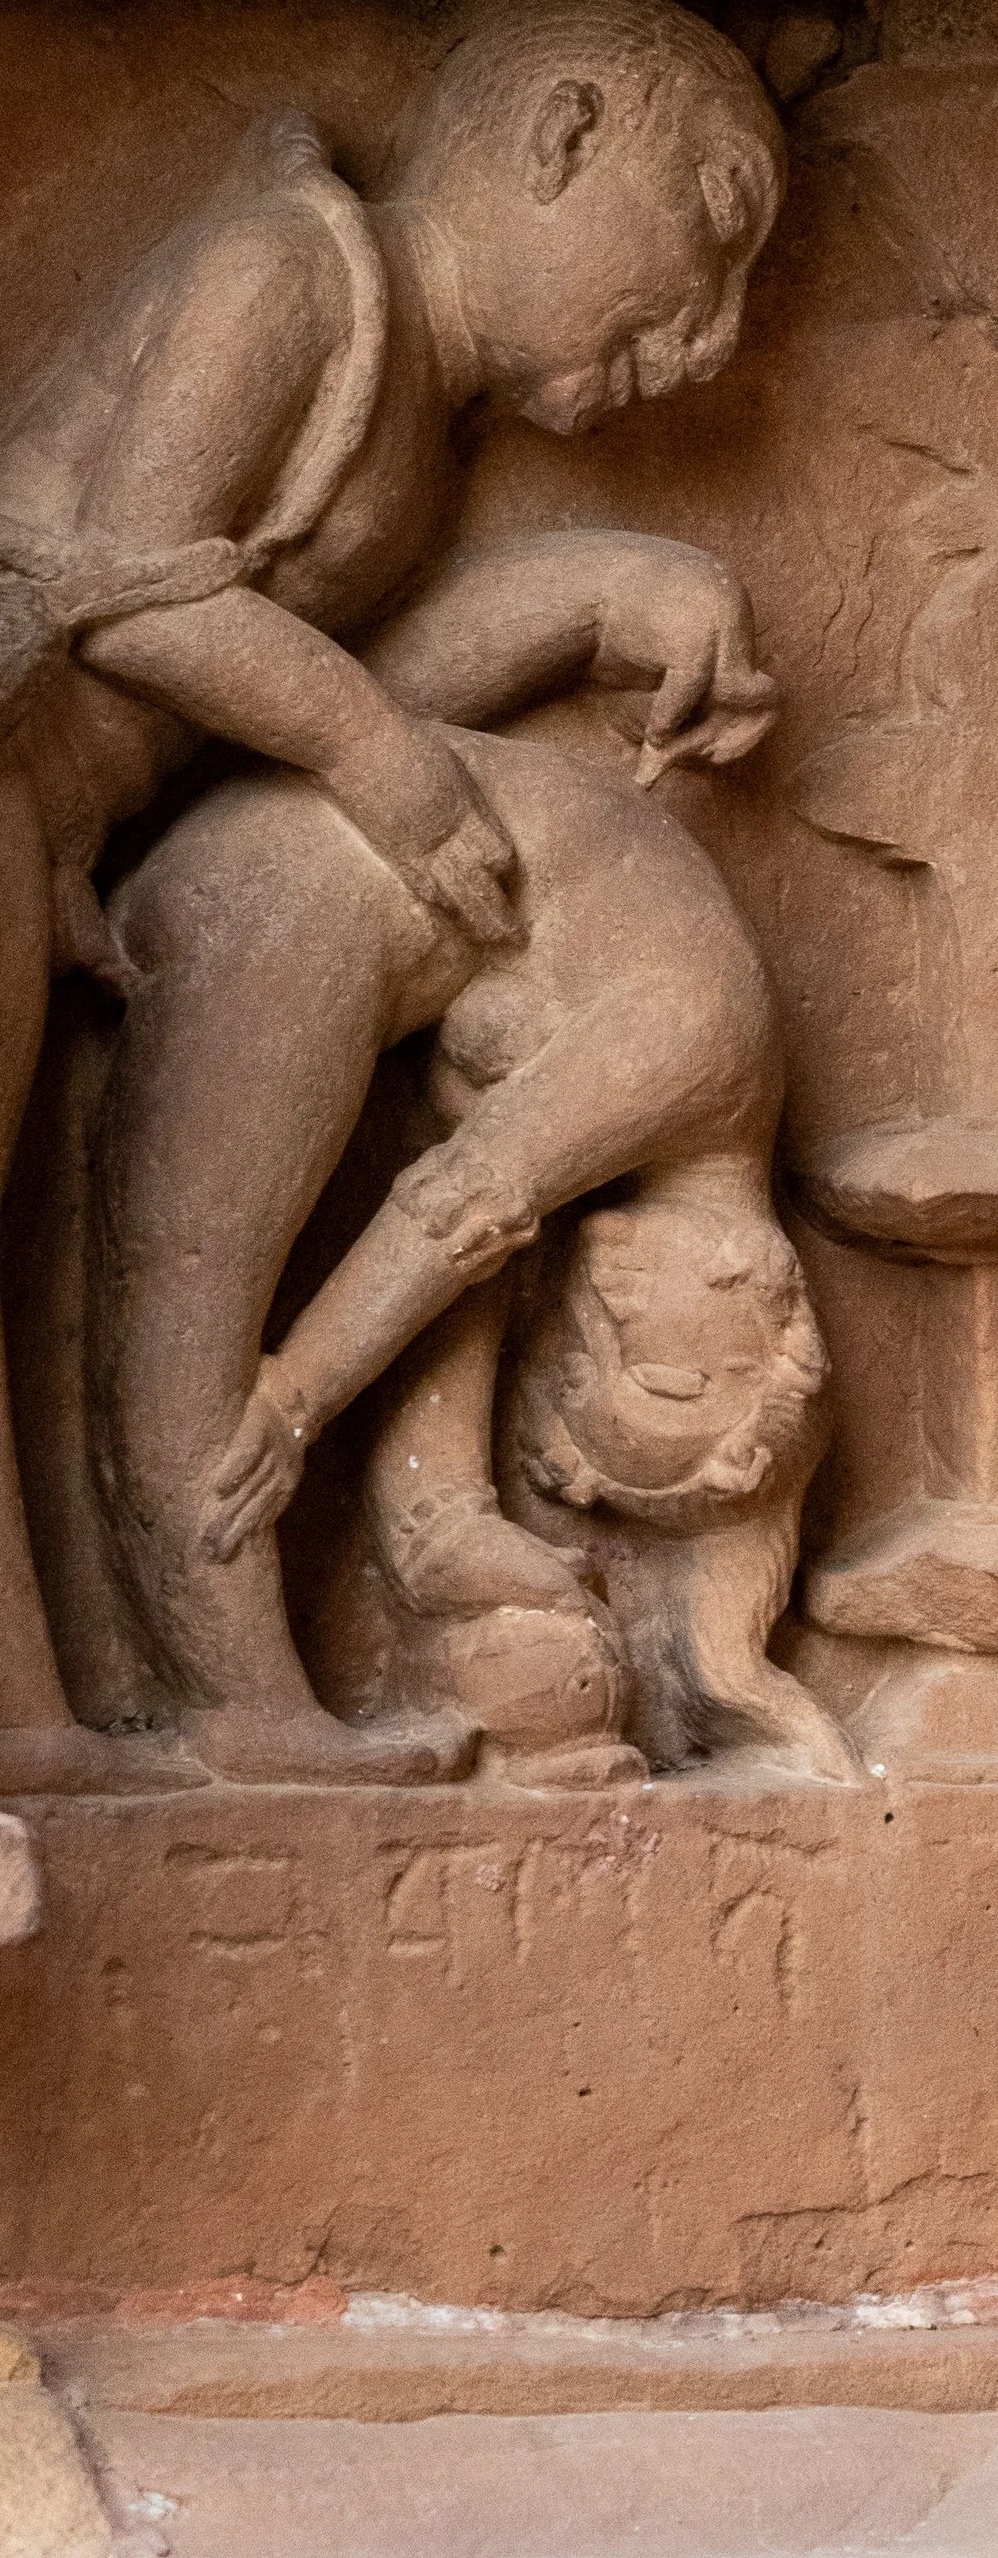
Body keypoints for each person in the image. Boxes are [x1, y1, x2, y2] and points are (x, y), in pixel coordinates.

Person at [0, 0, 788, 1784]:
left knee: (6, 1277)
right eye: (708, 234)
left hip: (69, 828)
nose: (710, 339)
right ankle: (62, 1714)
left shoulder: (416, 410)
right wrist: (374, 755)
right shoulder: (290, 271)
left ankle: (75, 1708)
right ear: (563, 137)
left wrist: (612, 591)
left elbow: (338, 688)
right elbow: (130, 589)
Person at [98, 717, 845, 1779]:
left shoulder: (618, 1180)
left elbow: (465, 1271)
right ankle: (245, 1712)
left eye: (574, 1375)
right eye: (665, 1379)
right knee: (194, 1357)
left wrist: (446, 1518)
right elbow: (457, 1212)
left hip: (308, 898)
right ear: (768, 1321)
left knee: (191, 1352)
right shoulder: (702, 1042)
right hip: (301, 873)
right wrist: (299, 1395)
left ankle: (244, 1709)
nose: (603, 1321)